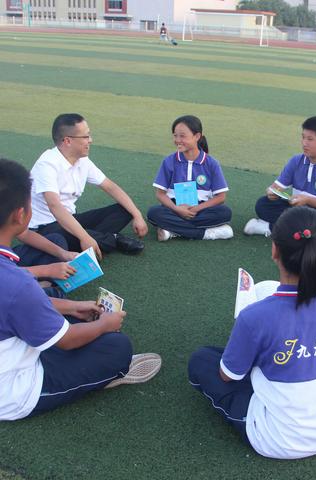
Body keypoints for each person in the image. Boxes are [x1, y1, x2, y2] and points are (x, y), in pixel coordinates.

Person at [188, 207, 316, 460]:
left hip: (278, 438)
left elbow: (227, 376)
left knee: (202, 360)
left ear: (274, 250)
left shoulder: (255, 317)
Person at [0, 159, 162, 421]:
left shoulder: (13, 280)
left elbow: (13, 301)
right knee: (116, 347)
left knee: (64, 307)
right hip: (13, 391)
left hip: (13, 342)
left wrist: (74, 306)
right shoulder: (17, 284)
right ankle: (102, 375)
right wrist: (105, 325)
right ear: (21, 215)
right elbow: (66, 340)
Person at [29, 113, 148, 260]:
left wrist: (137, 215)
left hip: (71, 219)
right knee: (64, 237)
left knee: (125, 210)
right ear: (67, 141)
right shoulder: (47, 164)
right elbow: (55, 206)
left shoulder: (82, 160)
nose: (90, 140)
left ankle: (98, 240)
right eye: (85, 137)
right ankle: (112, 240)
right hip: (45, 229)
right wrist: (85, 237)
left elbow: (110, 187)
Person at [244, 116, 316, 237]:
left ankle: (269, 228)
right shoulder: (296, 160)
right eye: (303, 137)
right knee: (263, 204)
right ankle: (300, 233)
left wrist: (307, 200)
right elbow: (276, 187)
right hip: (296, 209)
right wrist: (271, 192)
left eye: (310, 139)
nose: (304, 143)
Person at [147, 115, 233, 241]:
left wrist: (196, 209)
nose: (177, 140)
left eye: (182, 136)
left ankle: (173, 231)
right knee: (154, 213)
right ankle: (205, 234)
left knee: (225, 212)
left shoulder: (211, 163)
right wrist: (177, 209)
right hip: (174, 208)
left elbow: (221, 197)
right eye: (175, 135)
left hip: (201, 209)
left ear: (197, 136)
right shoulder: (169, 161)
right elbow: (160, 194)